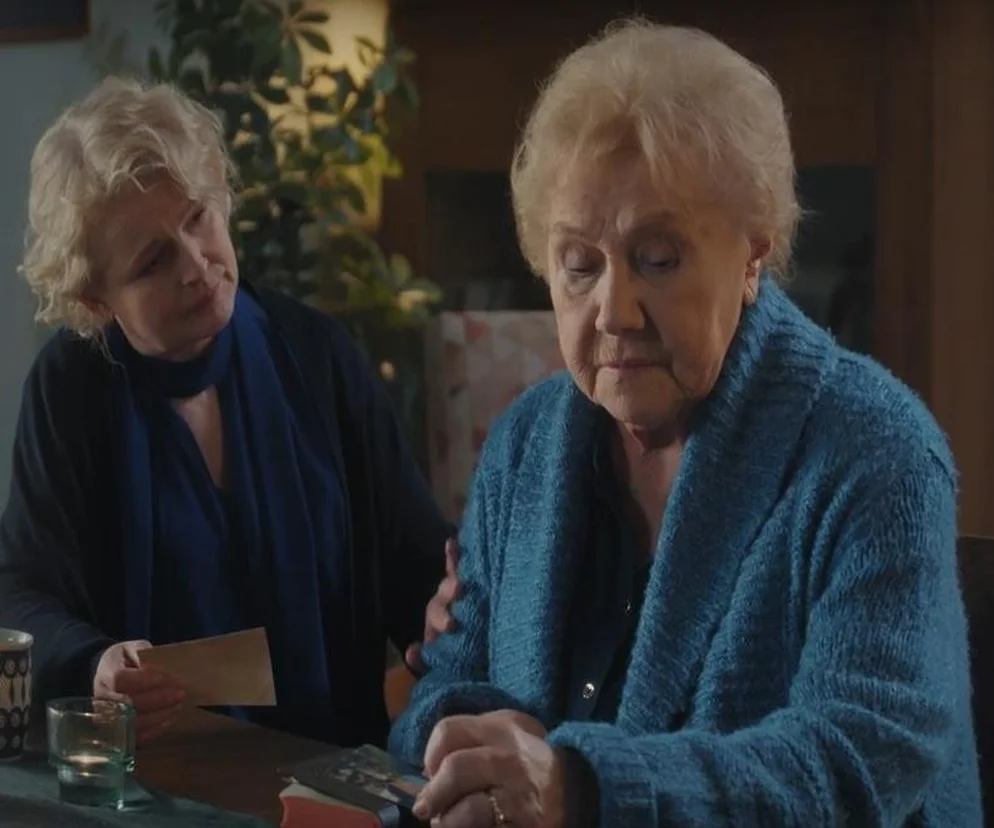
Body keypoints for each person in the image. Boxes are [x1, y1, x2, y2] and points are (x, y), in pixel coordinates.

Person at [389, 19, 982, 827]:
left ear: (752, 256)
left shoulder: (877, 453)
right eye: (579, 264)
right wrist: (463, 743)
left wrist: (579, 785)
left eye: (659, 259)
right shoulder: (526, 443)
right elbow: (451, 682)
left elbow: (857, 759)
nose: (614, 311)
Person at [0, 76, 460, 749]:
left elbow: (415, 560)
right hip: (144, 772)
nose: (197, 265)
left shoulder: (317, 353)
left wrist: (445, 608)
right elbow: (21, 594)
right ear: (97, 300)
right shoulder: (70, 388)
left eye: (197, 218)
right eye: (153, 261)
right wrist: (94, 664)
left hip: (328, 767)